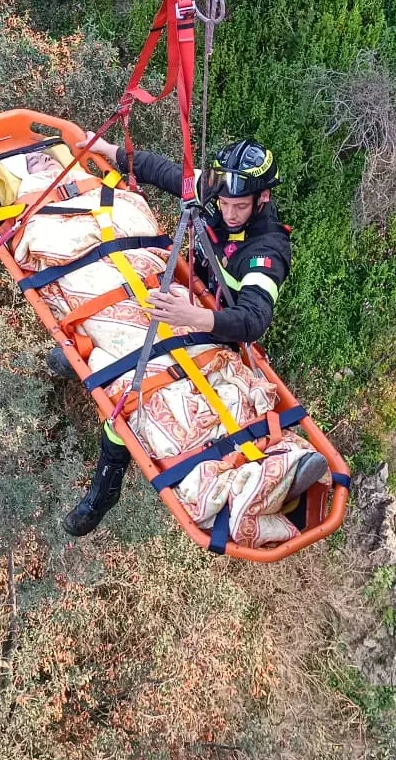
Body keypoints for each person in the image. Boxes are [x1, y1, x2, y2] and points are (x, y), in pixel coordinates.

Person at [51, 135, 299, 537]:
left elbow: (253, 319)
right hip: (182, 303)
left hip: (218, 334)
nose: (230, 213)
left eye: (240, 207)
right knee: (110, 307)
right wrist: (107, 151)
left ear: (262, 199)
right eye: (225, 204)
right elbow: (162, 170)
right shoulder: (219, 188)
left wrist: (195, 316)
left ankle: (104, 491)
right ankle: (82, 356)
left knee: (131, 397)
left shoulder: (266, 249)